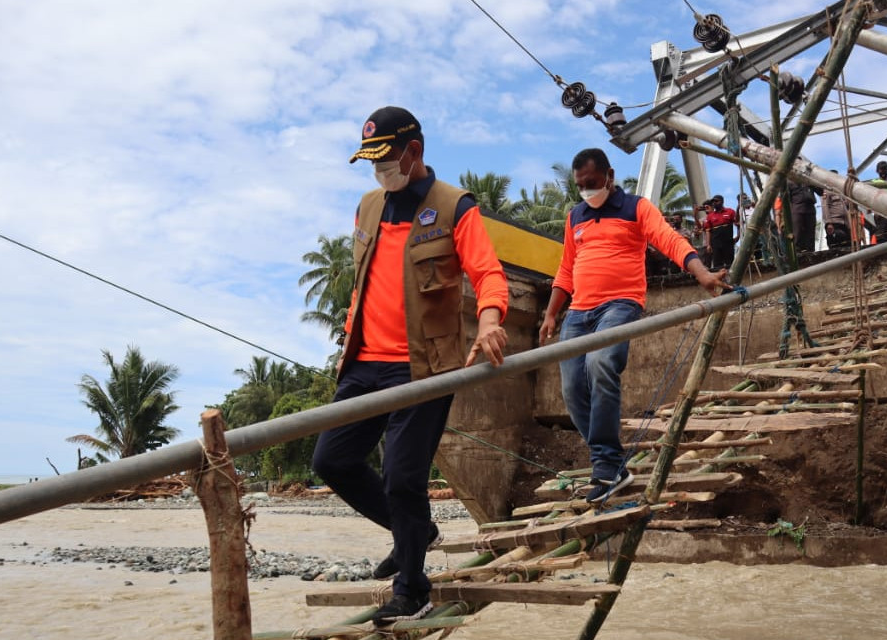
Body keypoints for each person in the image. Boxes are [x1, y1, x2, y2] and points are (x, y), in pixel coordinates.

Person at [312, 106, 510, 626]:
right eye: (371, 161)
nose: (380, 170)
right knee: (332, 461)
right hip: (363, 365)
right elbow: (364, 280)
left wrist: (490, 323)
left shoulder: (453, 206)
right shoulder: (367, 206)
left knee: (403, 478)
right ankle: (415, 535)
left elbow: (488, 273)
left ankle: (412, 589)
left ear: (413, 151)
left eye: (386, 159)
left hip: (422, 368)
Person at [539, 148, 728, 504]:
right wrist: (551, 314)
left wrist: (701, 272)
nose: (586, 191)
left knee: (600, 364)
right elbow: (566, 270)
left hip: (620, 304)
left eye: (591, 183)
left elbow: (669, 239)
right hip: (578, 312)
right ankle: (612, 464)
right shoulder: (574, 216)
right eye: (580, 185)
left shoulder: (636, 207)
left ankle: (607, 468)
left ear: (609, 176)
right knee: (570, 388)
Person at [699, 194, 739, 270]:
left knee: (730, 263)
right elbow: (708, 231)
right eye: (713, 202)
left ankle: (733, 280)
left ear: (722, 201)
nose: (714, 203)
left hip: (728, 242)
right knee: (717, 264)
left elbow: (737, 224)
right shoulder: (710, 216)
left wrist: (738, 235)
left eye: (716, 201)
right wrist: (708, 245)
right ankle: (720, 281)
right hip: (716, 243)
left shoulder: (730, 211)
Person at [783, 180, 820, 253]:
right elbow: (786, 199)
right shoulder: (789, 182)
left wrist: (812, 183)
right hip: (797, 209)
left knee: (811, 234)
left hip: (810, 209)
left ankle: (811, 252)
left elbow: (820, 192)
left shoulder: (808, 180)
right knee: (797, 234)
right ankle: (797, 254)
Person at [821, 169, 853, 251]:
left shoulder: (840, 192)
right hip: (834, 223)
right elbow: (825, 206)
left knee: (848, 247)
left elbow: (845, 206)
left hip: (844, 224)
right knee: (836, 248)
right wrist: (829, 223)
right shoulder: (826, 190)